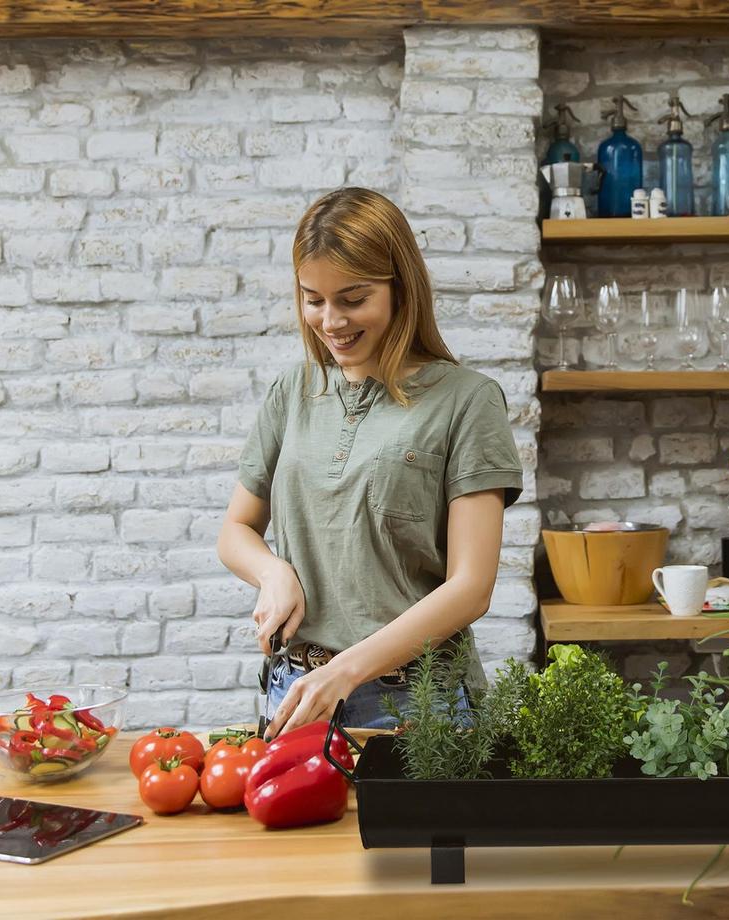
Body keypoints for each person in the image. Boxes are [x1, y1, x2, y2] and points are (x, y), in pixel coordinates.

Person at [216, 187, 523, 739]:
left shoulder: (468, 400)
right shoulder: (294, 390)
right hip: (296, 693)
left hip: (416, 707)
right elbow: (236, 529)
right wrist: (273, 571)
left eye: (353, 299)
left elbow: (471, 586)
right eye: (313, 299)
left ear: (400, 290)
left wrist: (345, 671)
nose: (330, 321)